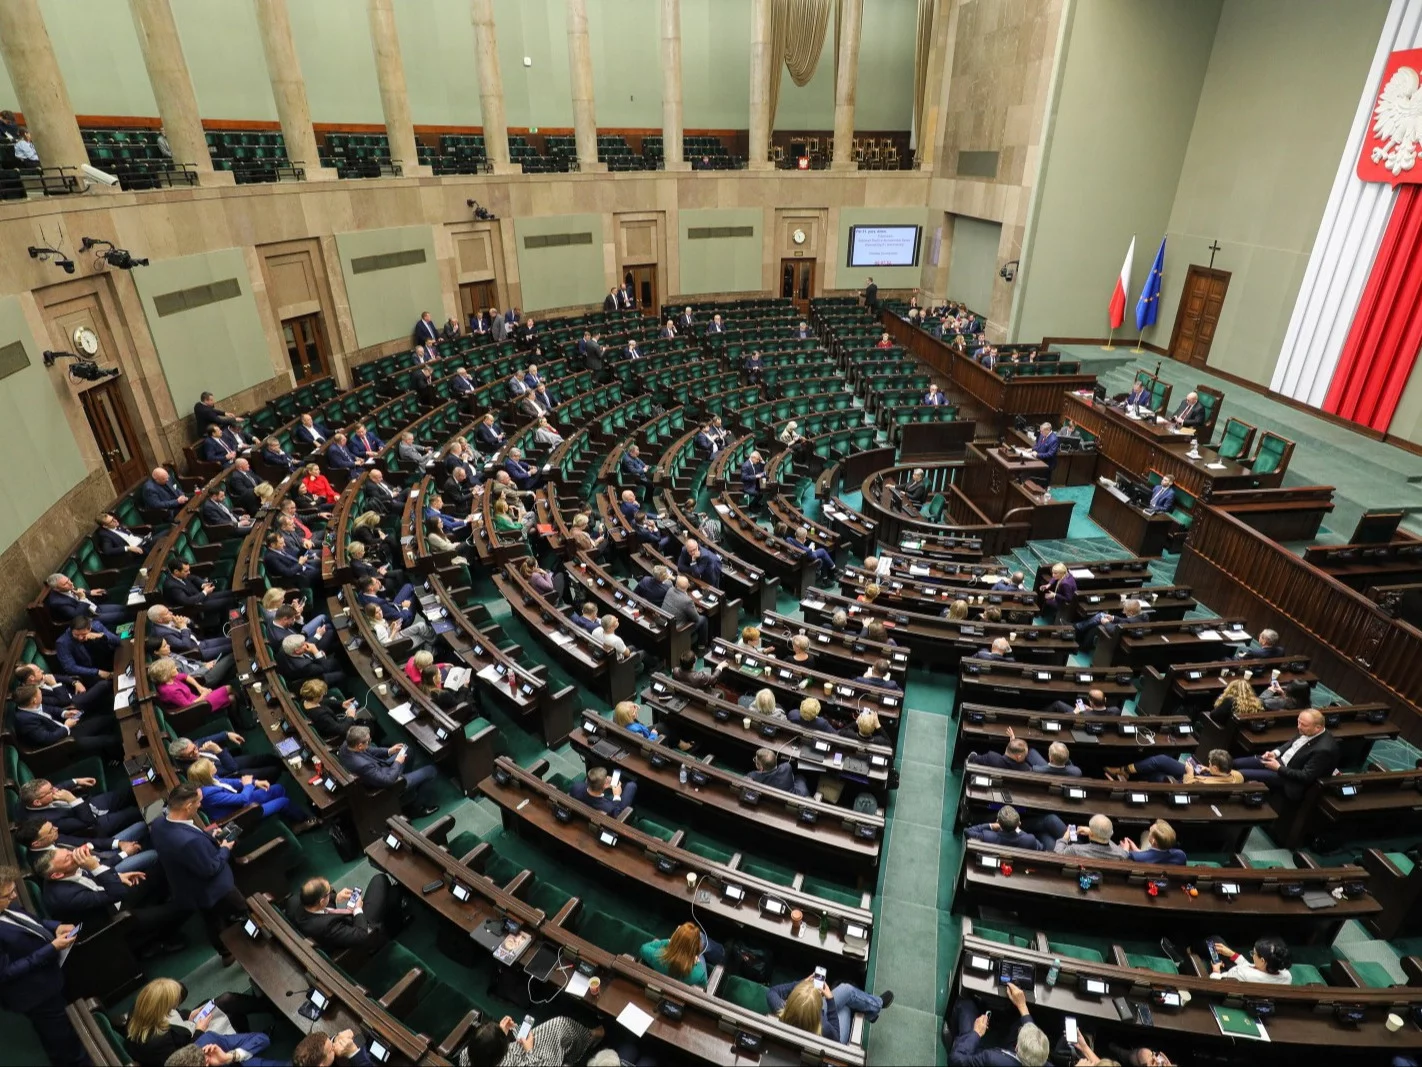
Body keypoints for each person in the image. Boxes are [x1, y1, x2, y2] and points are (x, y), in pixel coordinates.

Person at [150, 782, 248, 959]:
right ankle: (241, 945)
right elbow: (210, 869)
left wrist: (209, 836)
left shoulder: (158, 824)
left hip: (186, 885)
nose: (200, 805)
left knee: (211, 920)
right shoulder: (188, 842)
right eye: (198, 803)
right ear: (188, 806)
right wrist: (225, 848)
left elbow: (188, 839)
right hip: (213, 889)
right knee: (236, 912)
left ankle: (225, 954)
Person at [0, 864, 86, 1065]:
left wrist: (56, 926)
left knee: (60, 1029)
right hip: (33, 992)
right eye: (8, 893)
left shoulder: (6, 905)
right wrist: (52, 948)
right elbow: (6, 973)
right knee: (61, 1040)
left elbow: (31, 921)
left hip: (49, 976)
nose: (14, 896)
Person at [34, 845, 186, 955]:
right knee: (183, 906)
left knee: (157, 871)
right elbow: (117, 894)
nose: (74, 854)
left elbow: (102, 878)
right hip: (111, 922)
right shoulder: (64, 896)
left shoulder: (68, 868)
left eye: (68, 851)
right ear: (57, 875)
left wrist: (117, 877)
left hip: (110, 900)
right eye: (68, 857)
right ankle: (157, 942)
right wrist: (96, 867)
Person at [125, 976, 277, 1066]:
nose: (176, 1007)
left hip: (187, 1028)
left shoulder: (141, 1007)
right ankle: (246, 1049)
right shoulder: (158, 1043)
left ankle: (271, 1006)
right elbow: (184, 1060)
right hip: (193, 1044)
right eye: (173, 1004)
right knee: (232, 1017)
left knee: (227, 1000)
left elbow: (173, 1015)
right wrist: (199, 1030)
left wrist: (189, 1015)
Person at [1231, 709, 1338, 800]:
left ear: (1318, 728)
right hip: (1279, 761)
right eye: (1298, 722)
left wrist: (1278, 768)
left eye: (1303, 724)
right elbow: (1291, 743)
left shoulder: (1324, 750)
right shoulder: (1308, 729)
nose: (1298, 727)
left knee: (1241, 773)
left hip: (1288, 777)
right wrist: (1274, 753)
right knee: (1234, 763)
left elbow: (1306, 777)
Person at [186, 757, 316, 830]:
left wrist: (255, 782)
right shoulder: (209, 794)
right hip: (241, 814)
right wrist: (248, 785)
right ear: (208, 773)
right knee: (284, 801)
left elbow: (233, 782)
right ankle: (302, 822)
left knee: (278, 789)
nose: (214, 763)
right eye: (211, 764)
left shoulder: (211, 780)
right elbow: (242, 799)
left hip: (241, 803)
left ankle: (289, 816)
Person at [341, 725, 439, 816]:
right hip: (389, 783)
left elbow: (368, 750)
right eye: (368, 741)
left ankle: (407, 791)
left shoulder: (347, 745)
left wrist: (389, 751)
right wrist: (397, 762)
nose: (369, 741)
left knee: (407, 750)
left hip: (382, 770)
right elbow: (387, 780)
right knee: (431, 771)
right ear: (359, 746)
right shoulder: (363, 765)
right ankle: (417, 808)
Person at [19, 776, 146, 844]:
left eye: (52, 787)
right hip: (94, 825)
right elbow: (86, 822)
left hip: (90, 805)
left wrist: (76, 781)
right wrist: (72, 800)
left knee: (127, 790)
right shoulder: (48, 821)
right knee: (135, 812)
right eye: (50, 791)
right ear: (37, 802)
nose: (56, 790)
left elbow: (55, 787)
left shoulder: (32, 799)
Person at [768, 974, 891, 1044]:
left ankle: (875, 1007)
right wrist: (830, 1000)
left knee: (846, 989)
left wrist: (802, 985)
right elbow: (836, 1036)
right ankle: (873, 1011)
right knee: (845, 1008)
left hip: (810, 1018)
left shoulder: (780, 1008)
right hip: (834, 1042)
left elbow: (772, 992)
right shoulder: (824, 1026)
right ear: (819, 1010)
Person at [947, 981, 1047, 1066]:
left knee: (966, 1006)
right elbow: (1031, 1030)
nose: (1022, 1029)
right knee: (1017, 1020)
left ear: (1017, 1047)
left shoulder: (991, 1058)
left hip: (980, 1057)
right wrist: (1022, 1006)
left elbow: (955, 1060)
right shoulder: (1039, 1060)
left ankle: (953, 1038)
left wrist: (976, 1033)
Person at [12, 681, 121, 759]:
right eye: (39, 693)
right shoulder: (25, 721)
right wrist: (66, 726)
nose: (41, 694)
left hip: (67, 729)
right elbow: (48, 739)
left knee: (108, 719)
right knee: (109, 740)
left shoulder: (29, 705)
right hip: (64, 743)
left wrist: (64, 713)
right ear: (34, 700)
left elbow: (49, 709)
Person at [289, 874, 395, 953]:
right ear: (321, 902)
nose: (331, 891)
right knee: (380, 880)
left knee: (393, 894)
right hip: (359, 931)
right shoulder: (328, 927)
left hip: (338, 927)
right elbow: (362, 935)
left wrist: (336, 897)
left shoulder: (294, 901)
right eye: (329, 892)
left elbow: (318, 903)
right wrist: (357, 909)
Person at [466, 1015, 601, 1067]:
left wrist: (500, 1033)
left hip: (516, 1055)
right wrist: (530, 1050)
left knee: (555, 1029)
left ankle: (587, 1036)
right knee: (560, 1025)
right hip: (532, 1061)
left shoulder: (469, 1057)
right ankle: (590, 1037)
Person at [638, 922, 723, 988]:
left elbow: (644, 948)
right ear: (695, 948)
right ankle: (723, 954)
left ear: (674, 939)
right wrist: (697, 963)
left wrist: (668, 942)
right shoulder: (698, 973)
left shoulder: (656, 956)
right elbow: (703, 987)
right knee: (702, 944)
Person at [169, 731, 283, 781]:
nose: (196, 751)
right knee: (273, 771)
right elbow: (232, 768)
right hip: (231, 775)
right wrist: (218, 750)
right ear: (182, 758)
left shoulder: (192, 746)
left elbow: (205, 739)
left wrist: (227, 735)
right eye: (191, 754)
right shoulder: (195, 770)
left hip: (226, 762)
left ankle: (287, 764)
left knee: (264, 758)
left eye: (194, 747)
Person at [1106, 748, 1243, 787]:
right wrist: (1208, 770)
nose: (1208, 763)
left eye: (1210, 764)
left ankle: (1123, 773)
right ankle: (1124, 771)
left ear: (1216, 768)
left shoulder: (1213, 785)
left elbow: (1189, 787)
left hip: (1183, 784)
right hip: (1198, 776)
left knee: (1156, 775)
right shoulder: (1236, 775)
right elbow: (1223, 774)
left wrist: (1189, 772)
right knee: (1161, 760)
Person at [149, 656, 235, 714]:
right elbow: (188, 706)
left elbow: (186, 676)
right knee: (229, 689)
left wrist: (200, 688)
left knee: (231, 697)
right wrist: (204, 695)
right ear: (167, 674)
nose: (176, 668)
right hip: (198, 707)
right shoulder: (170, 692)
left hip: (198, 698)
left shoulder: (171, 678)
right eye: (173, 668)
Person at [44, 571, 127, 627]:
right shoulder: (58, 603)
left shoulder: (66, 587)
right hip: (89, 619)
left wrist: (89, 592)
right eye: (65, 583)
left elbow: (77, 591)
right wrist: (83, 598)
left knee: (124, 608)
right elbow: (77, 616)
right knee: (122, 615)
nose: (70, 583)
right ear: (57, 589)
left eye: (68, 579)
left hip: (94, 608)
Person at [1206, 935, 1292, 984]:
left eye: (1253, 953)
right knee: (1217, 943)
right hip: (1238, 973)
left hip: (1225, 976)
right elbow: (1253, 969)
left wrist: (1216, 970)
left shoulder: (1242, 974)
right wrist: (1233, 954)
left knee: (1213, 941)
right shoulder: (1286, 976)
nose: (1252, 955)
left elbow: (1218, 983)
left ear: (1262, 960)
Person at [964, 805, 1044, 851]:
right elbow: (1041, 847)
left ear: (997, 822)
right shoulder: (1029, 839)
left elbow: (968, 831)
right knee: (1047, 833)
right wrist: (1020, 832)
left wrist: (991, 825)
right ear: (1019, 823)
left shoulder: (988, 837)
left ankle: (971, 817)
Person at [662, 575, 708, 649]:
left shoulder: (670, 590)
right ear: (688, 586)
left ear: (676, 585)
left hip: (665, 625)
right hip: (678, 631)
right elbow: (696, 619)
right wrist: (695, 609)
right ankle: (701, 647)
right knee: (703, 619)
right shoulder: (687, 601)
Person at [1053, 814, 1127, 860]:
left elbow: (1058, 854)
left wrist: (1065, 838)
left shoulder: (1075, 849)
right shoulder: (1121, 854)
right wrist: (1093, 832)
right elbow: (1106, 838)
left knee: (1051, 822)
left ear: (1091, 834)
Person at [569, 766, 636, 815]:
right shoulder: (608, 808)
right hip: (614, 811)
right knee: (631, 786)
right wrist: (617, 796)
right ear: (605, 785)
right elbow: (616, 813)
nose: (607, 778)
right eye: (606, 778)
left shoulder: (576, 787)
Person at [1119, 820, 1186, 865]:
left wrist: (1125, 850)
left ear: (1153, 841)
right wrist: (1137, 851)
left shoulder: (1133, 856)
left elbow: (1123, 859)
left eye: (1150, 832)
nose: (1149, 833)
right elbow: (1152, 857)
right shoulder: (1180, 855)